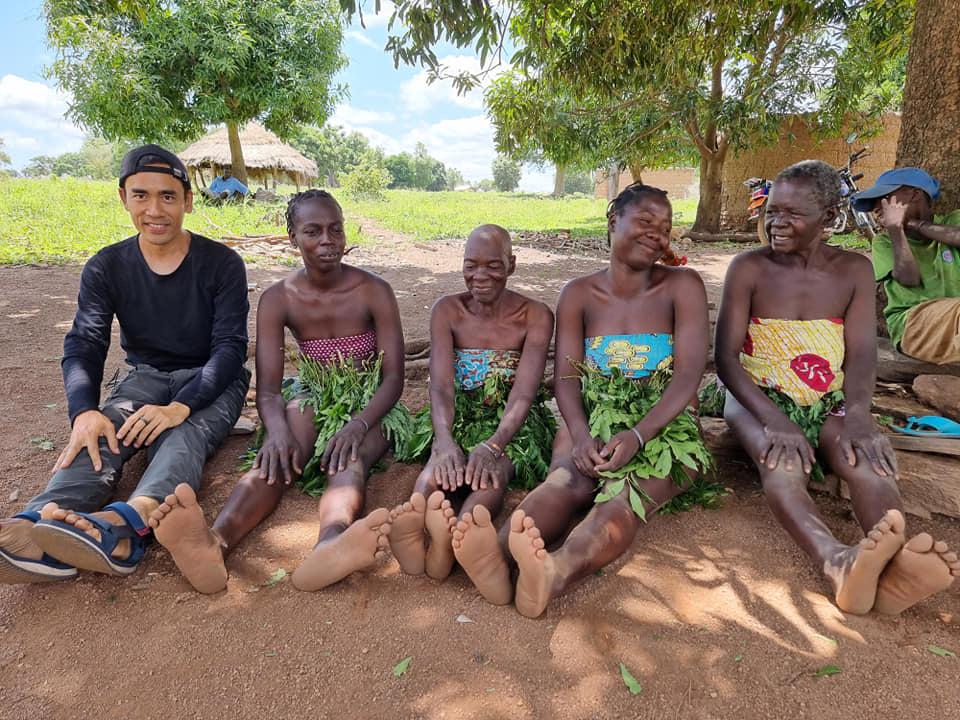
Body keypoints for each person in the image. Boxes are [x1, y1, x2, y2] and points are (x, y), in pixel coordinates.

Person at [450, 183, 711, 617]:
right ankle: (494, 555)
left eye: (665, 228)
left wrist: (641, 436)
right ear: (613, 223)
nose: (657, 235)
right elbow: (567, 380)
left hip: (666, 428)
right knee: (565, 480)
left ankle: (555, 570)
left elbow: (687, 376)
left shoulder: (682, 287)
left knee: (623, 498)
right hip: (591, 419)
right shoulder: (578, 294)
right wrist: (582, 432)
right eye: (645, 222)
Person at [716, 160, 959, 615]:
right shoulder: (749, 267)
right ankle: (836, 561)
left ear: (829, 218)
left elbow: (862, 352)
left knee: (869, 462)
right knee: (782, 462)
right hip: (757, 395)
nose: (776, 222)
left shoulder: (854, 270)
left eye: (792, 213)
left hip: (828, 395)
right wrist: (774, 418)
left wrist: (860, 415)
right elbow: (727, 362)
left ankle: (893, 566)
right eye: (772, 211)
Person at [0, 144, 250, 584]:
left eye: (168, 197)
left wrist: (180, 406)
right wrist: (84, 411)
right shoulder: (106, 266)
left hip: (213, 380)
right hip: (144, 377)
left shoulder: (222, 264)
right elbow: (85, 341)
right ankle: (41, 520)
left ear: (188, 201)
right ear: (123, 198)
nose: (155, 210)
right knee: (104, 432)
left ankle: (126, 528)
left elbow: (230, 348)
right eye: (141, 195)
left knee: (181, 433)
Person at [147, 189, 404, 593]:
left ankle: (330, 543)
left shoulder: (373, 290)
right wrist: (279, 431)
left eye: (335, 229)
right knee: (275, 460)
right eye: (313, 231)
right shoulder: (278, 298)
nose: (327, 241)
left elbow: (393, 378)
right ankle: (214, 542)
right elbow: (268, 390)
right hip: (313, 390)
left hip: (370, 402)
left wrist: (358, 424)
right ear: (292, 238)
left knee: (347, 459)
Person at [387, 224, 555, 583]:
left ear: (512, 264)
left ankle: (466, 531)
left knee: (491, 475)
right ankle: (419, 523)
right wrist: (445, 440)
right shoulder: (447, 310)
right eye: (470, 265)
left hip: (511, 423)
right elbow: (442, 388)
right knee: (439, 466)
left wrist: (495, 444)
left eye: (493, 266)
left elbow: (524, 394)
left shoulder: (535, 316)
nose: (480, 276)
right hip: (457, 412)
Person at [851, 167, 960, 364]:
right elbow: (909, 278)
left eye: (884, 197)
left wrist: (915, 224)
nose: (877, 207)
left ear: (915, 194)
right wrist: (896, 230)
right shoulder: (884, 242)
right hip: (912, 324)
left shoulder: (952, 221)